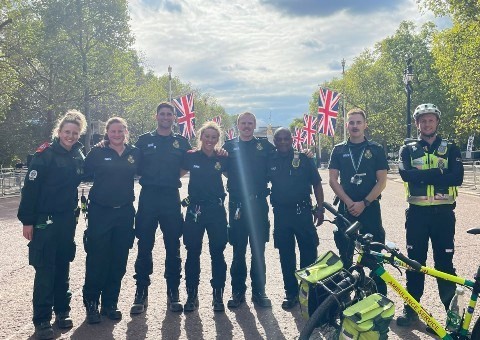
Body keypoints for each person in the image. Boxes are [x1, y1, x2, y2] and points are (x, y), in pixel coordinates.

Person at [18, 110, 86, 340]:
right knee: (45, 269)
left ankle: (62, 311)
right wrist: (28, 220)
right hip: (45, 220)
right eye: (67, 132)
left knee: (63, 265)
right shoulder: (44, 155)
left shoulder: (78, 156)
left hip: (67, 219)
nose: (71, 136)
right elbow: (30, 189)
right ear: (59, 132)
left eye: (75, 133)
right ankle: (42, 320)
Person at [396, 103, 464, 327]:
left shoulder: (451, 148)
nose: (427, 124)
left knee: (445, 264)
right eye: (422, 120)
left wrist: (423, 175)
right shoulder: (407, 149)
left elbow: (457, 178)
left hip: (443, 215)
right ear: (417, 123)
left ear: (437, 122)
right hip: (417, 215)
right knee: (415, 263)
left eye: (430, 120)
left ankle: (451, 316)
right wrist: (439, 173)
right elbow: (406, 175)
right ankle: (411, 309)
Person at [130, 102, 191, 314]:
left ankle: (173, 291)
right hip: (148, 197)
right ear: (156, 116)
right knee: (144, 245)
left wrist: (170, 178)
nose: (166, 117)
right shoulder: (144, 140)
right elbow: (134, 163)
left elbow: (186, 165)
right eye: (162, 114)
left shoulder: (181, 142)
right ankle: (141, 292)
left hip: (170, 198)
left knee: (173, 246)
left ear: (174, 118)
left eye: (169, 114)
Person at [82, 117, 141, 323]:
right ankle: (91, 303)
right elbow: (80, 173)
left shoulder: (135, 152)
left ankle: (110, 303)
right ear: (107, 133)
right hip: (100, 212)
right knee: (97, 258)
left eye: (120, 131)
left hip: (124, 212)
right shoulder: (98, 152)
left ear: (126, 131)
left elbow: (151, 170)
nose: (116, 135)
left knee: (119, 259)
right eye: (113, 131)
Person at [328, 108, 388, 295]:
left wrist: (364, 202)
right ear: (347, 125)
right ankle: (344, 296)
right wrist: (348, 202)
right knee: (346, 254)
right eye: (351, 123)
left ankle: (378, 294)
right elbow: (332, 180)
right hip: (347, 208)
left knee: (375, 252)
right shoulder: (338, 150)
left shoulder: (376, 149)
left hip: (370, 207)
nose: (355, 126)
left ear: (365, 125)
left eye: (358, 122)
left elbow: (382, 181)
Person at [222, 111, 275, 308]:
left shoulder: (265, 147)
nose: (246, 126)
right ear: (238, 125)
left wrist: (306, 154)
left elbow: (281, 159)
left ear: (254, 125)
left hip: (258, 204)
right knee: (238, 250)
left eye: (250, 123)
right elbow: (223, 168)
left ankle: (259, 292)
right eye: (243, 123)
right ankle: (237, 291)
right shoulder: (228, 147)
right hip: (237, 204)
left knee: (258, 251)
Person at [268, 127, 324, 309]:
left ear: (292, 140)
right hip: (282, 215)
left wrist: (320, 208)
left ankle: (307, 293)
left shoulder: (304, 159)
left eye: (286, 139)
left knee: (308, 253)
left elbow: (317, 183)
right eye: (279, 139)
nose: (283, 142)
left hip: (303, 214)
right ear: (274, 142)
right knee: (286, 256)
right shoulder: (270, 160)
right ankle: (291, 293)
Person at [180, 121, 228, 312]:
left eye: (213, 137)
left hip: (216, 210)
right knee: (192, 253)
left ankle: (218, 296)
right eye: (207, 136)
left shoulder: (223, 158)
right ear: (201, 137)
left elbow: (237, 176)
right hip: (195, 211)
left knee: (218, 252)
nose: (209, 140)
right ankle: (192, 295)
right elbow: (175, 174)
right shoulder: (190, 157)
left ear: (218, 140)